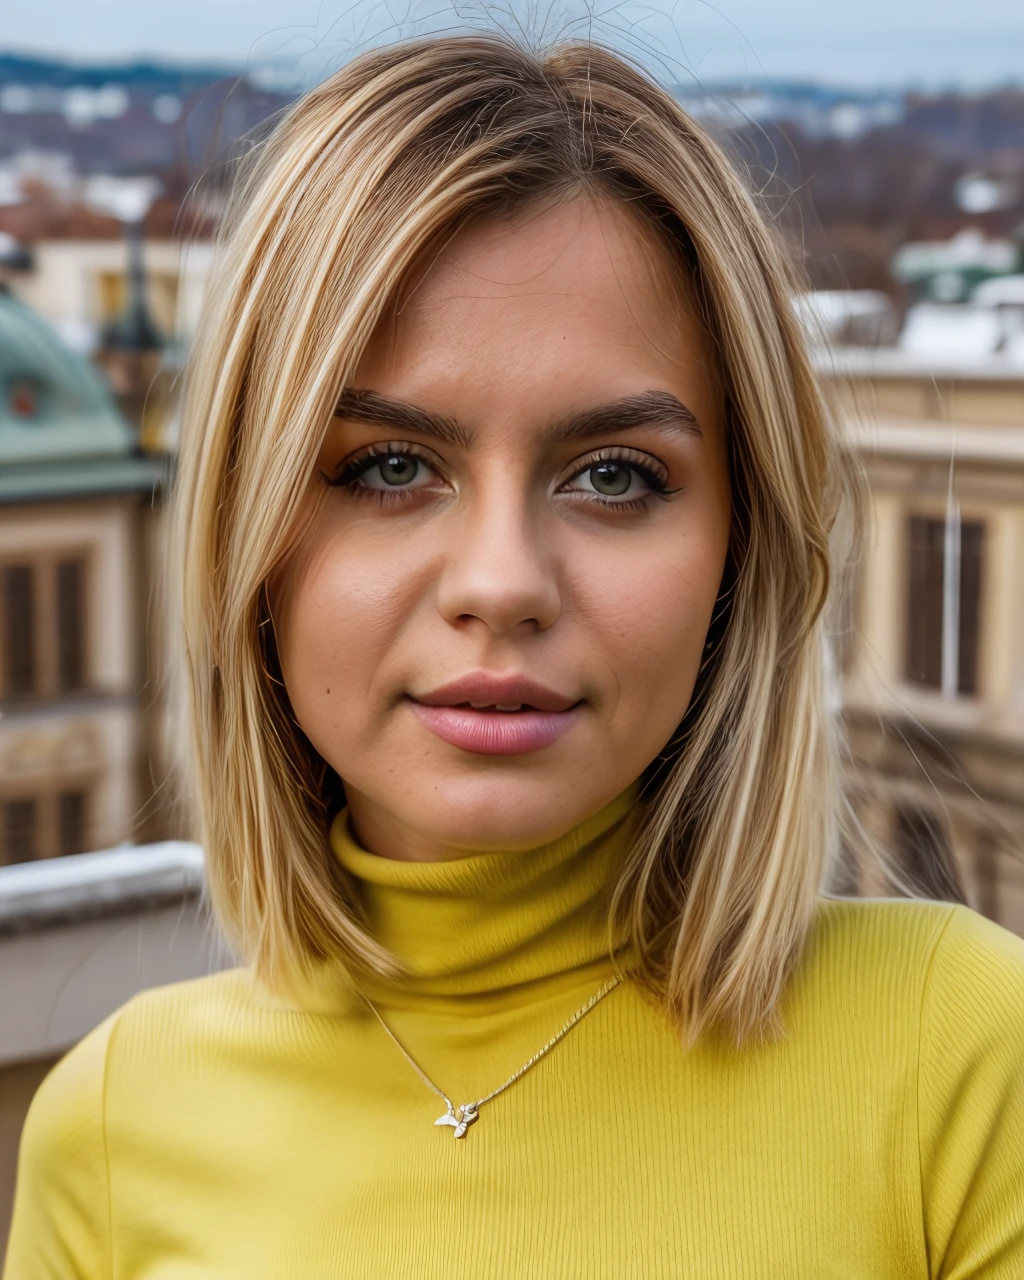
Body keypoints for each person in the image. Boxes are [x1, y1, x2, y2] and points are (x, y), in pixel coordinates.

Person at [6, 35, 1024, 1278]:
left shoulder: (962, 1056)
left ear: (736, 553)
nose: (501, 583)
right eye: (389, 467)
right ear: (245, 536)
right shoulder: (111, 1125)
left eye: (613, 476)